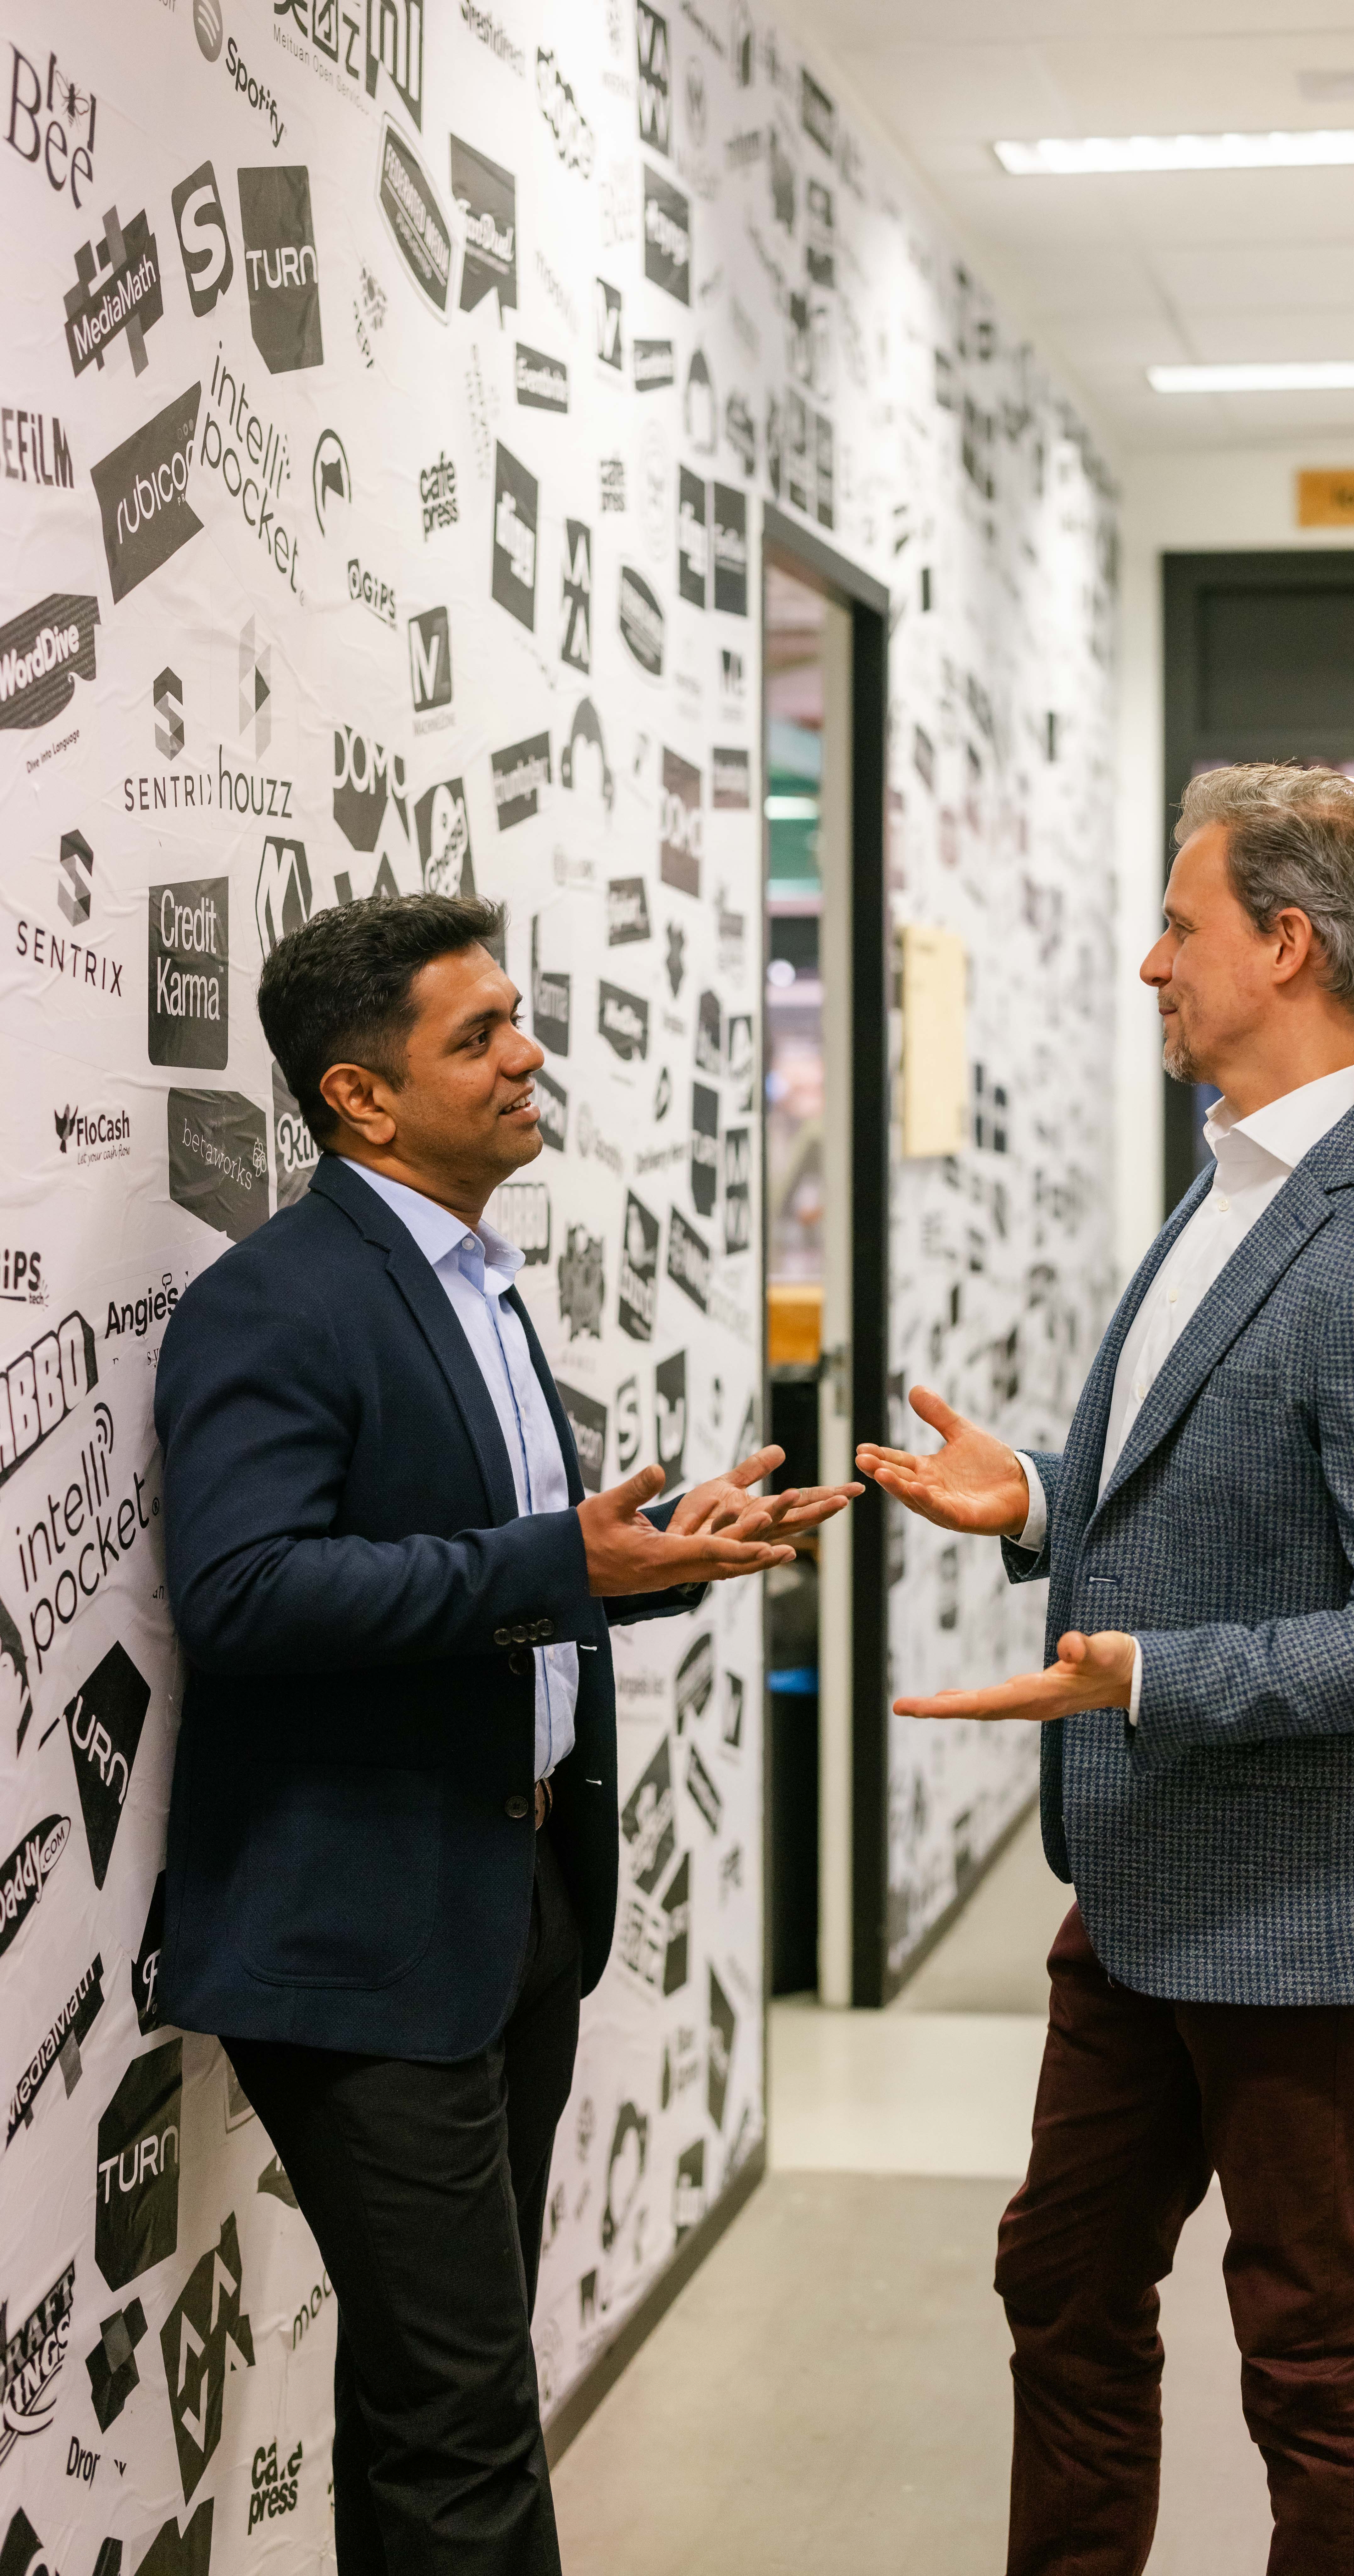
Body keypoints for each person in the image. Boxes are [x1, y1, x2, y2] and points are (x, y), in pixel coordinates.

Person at [857, 764, 1354, 2576]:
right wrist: (1037, 1499)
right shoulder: (1230, 1179)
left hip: (1303, 1906)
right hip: (1148, 1882)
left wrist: (1149, 1676)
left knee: (1311, 2353)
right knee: (1063, 2278)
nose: (1150, 963)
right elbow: (1216, 1493)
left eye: (1179, 924)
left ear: (1286, 944)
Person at [155, 893, 859, 2574]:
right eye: (478, 1036)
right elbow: (245, 1594)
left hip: (515, 1904)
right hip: (363, 1932)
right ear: (360, 1097)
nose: (529, 1056)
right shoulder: (278, 1302)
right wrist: (563, 1564)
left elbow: (486, 1566)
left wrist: (658, 1558)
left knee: (432, 2396)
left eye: (518, 1018)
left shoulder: (475, 1279)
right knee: (467, 2421)